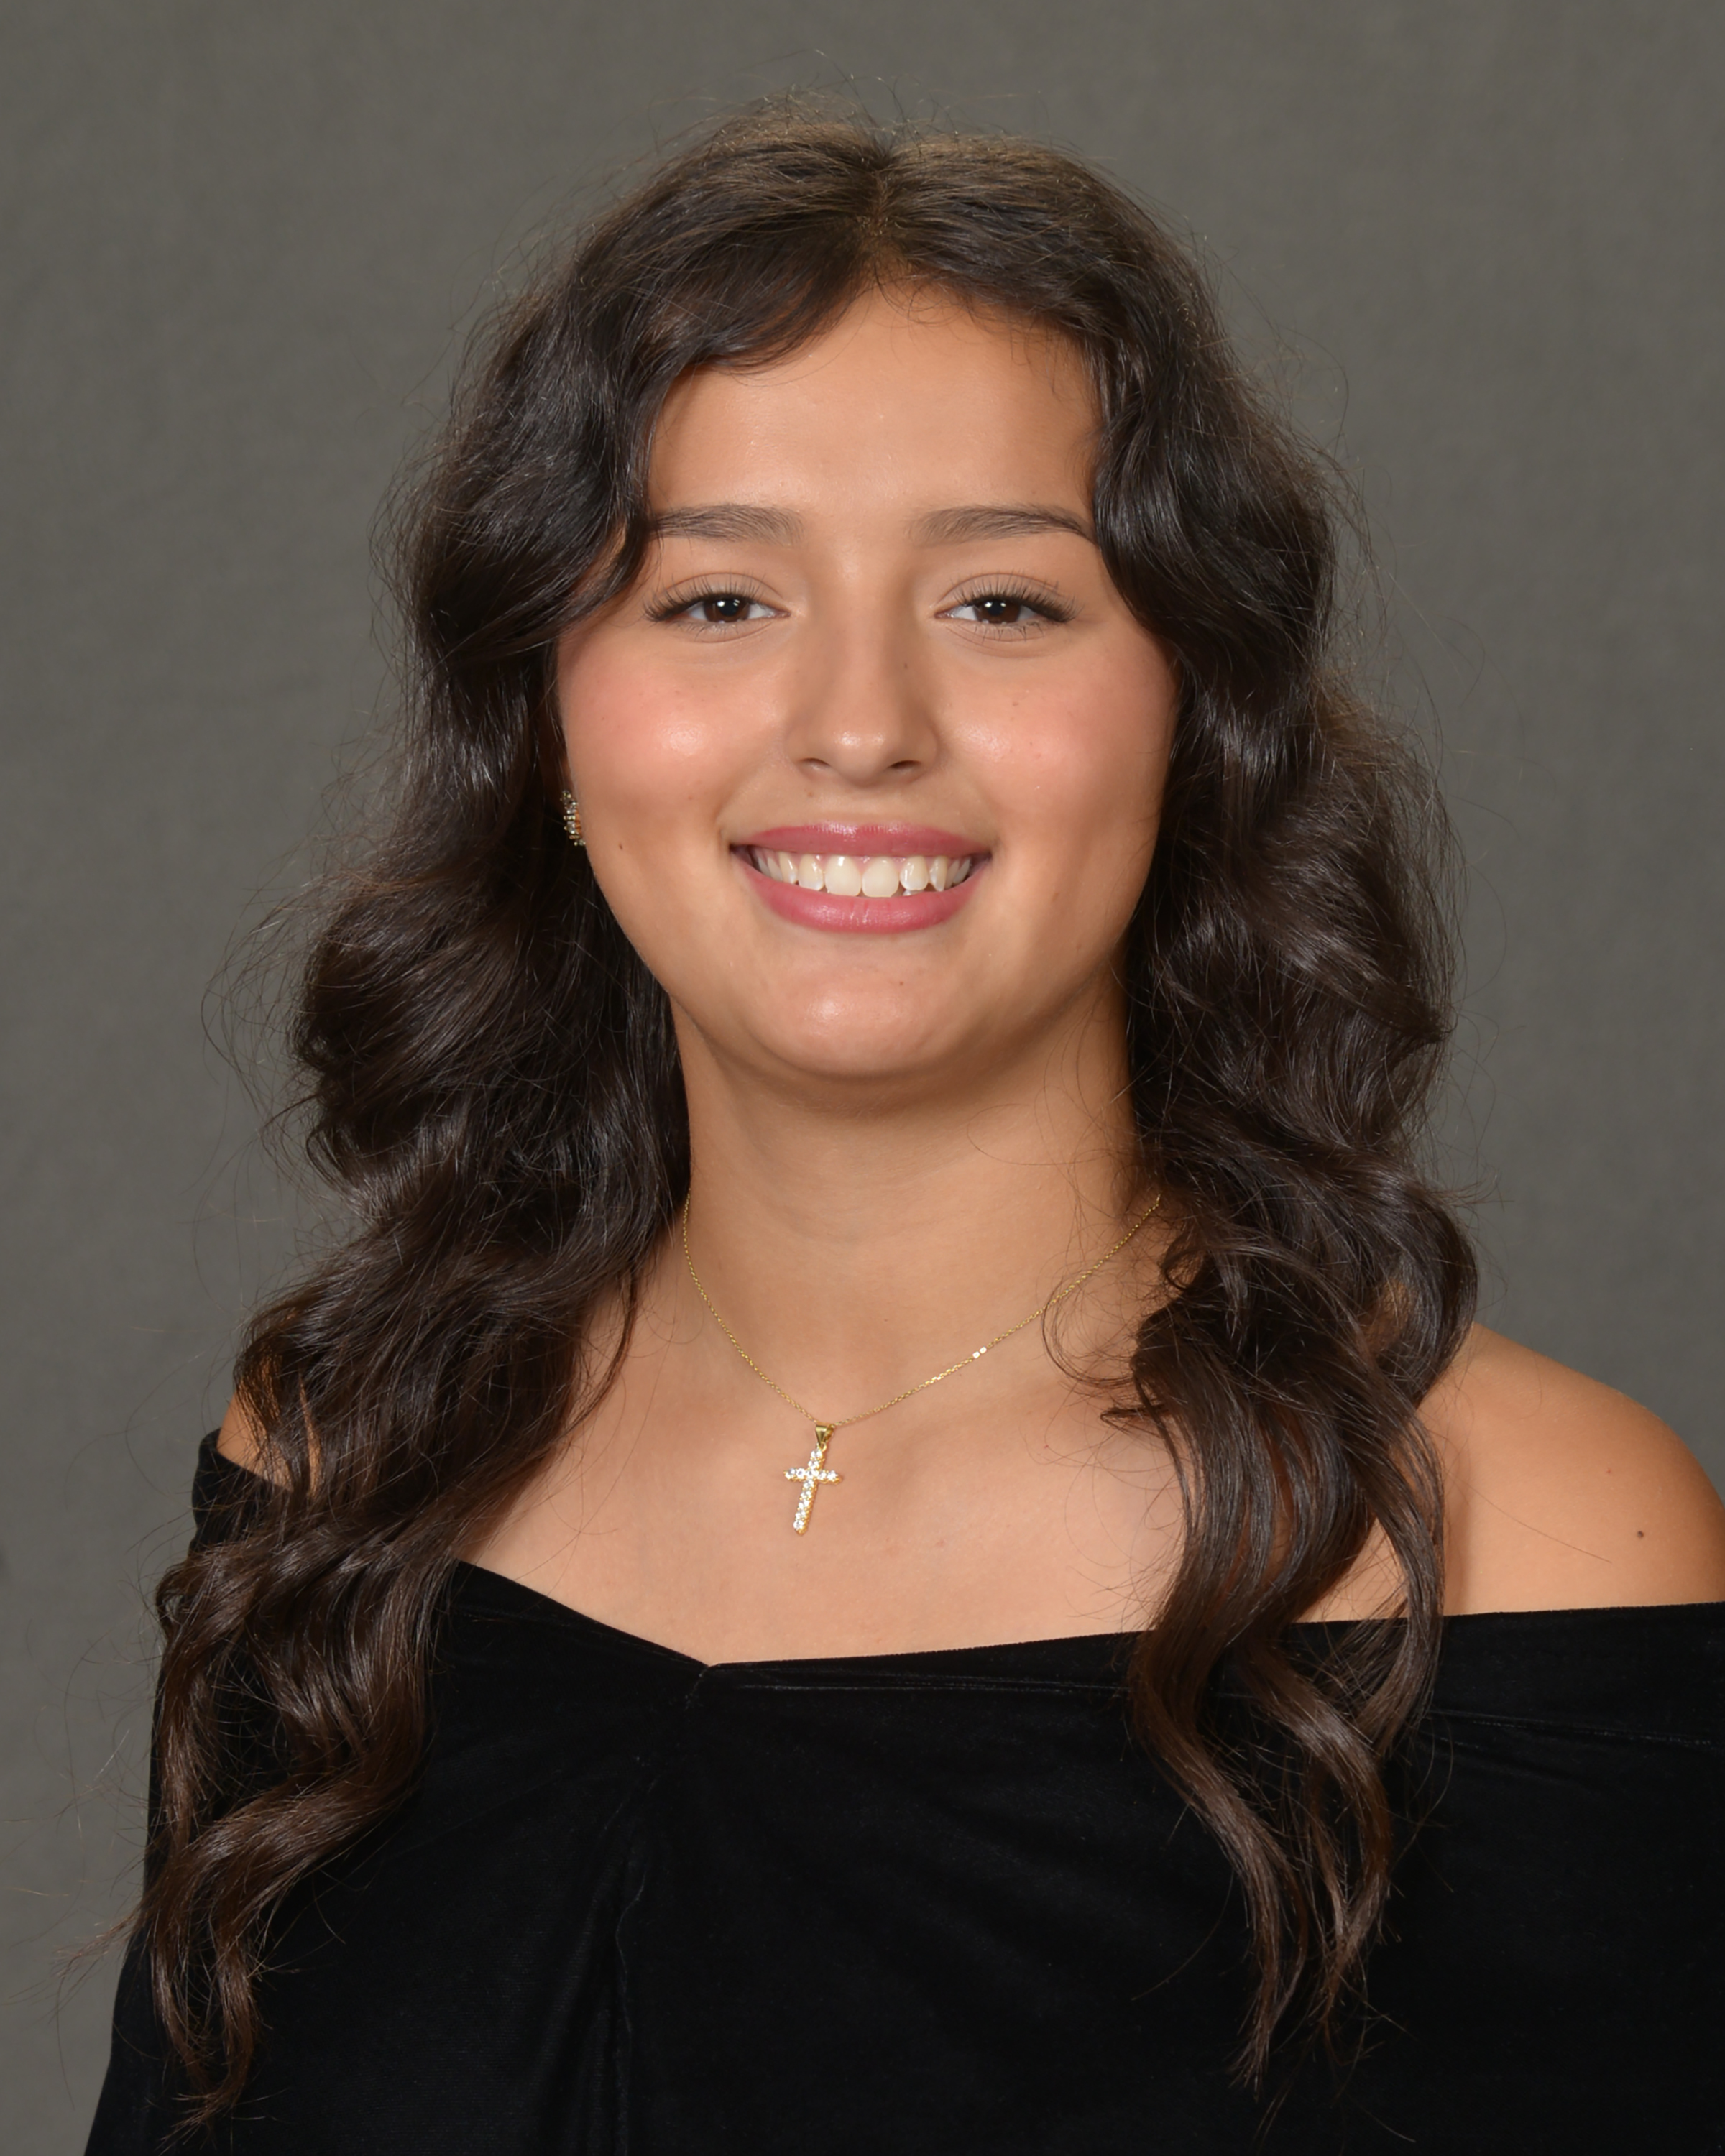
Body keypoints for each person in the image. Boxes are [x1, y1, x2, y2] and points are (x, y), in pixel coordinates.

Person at [88, 105, 1725, 2154]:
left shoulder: (1519, 1543)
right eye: (716, 602)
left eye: (1003, 605)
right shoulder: (346, 1464)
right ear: (552, 728)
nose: (859, 726)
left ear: (1193, 721)